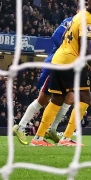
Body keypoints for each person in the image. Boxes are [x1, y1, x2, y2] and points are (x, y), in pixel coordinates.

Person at [29, 0, 91, 147]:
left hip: (58, 60)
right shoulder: (88, 19)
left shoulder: (77, 16)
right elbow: (85, 49)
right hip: (72, 62)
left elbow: (64, 35)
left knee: (57, 99)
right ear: (88, 2)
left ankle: (38, 138)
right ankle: (66, 137)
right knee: (85, 98)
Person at [13, 15, 73, 145]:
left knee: (69, 97)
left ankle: (52, 129)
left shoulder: (84, 25)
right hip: (54, 64)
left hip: (65, 67)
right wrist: (66, 51)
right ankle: (21, 127)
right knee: (43, 99)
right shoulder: (70, 21)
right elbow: (55, 37)